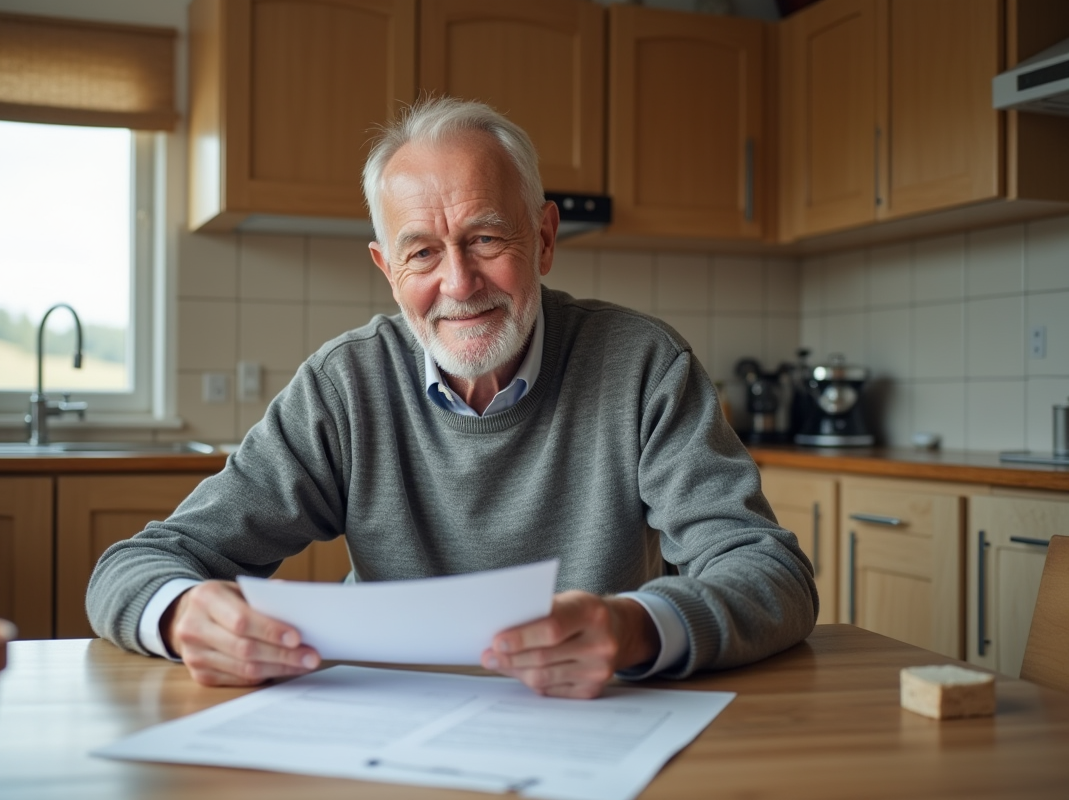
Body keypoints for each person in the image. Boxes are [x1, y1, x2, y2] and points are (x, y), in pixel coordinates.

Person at [87, 97, 817, 699]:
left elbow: (770, 573)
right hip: (386, 721)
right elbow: (136, 564)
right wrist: (180, 611)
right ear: (386, 268)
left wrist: (636, 628)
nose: (460, 283)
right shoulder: (345, 385)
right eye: (422, 252)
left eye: (487, 238)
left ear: (544, 237)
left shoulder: (644, 366)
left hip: (592, 723)